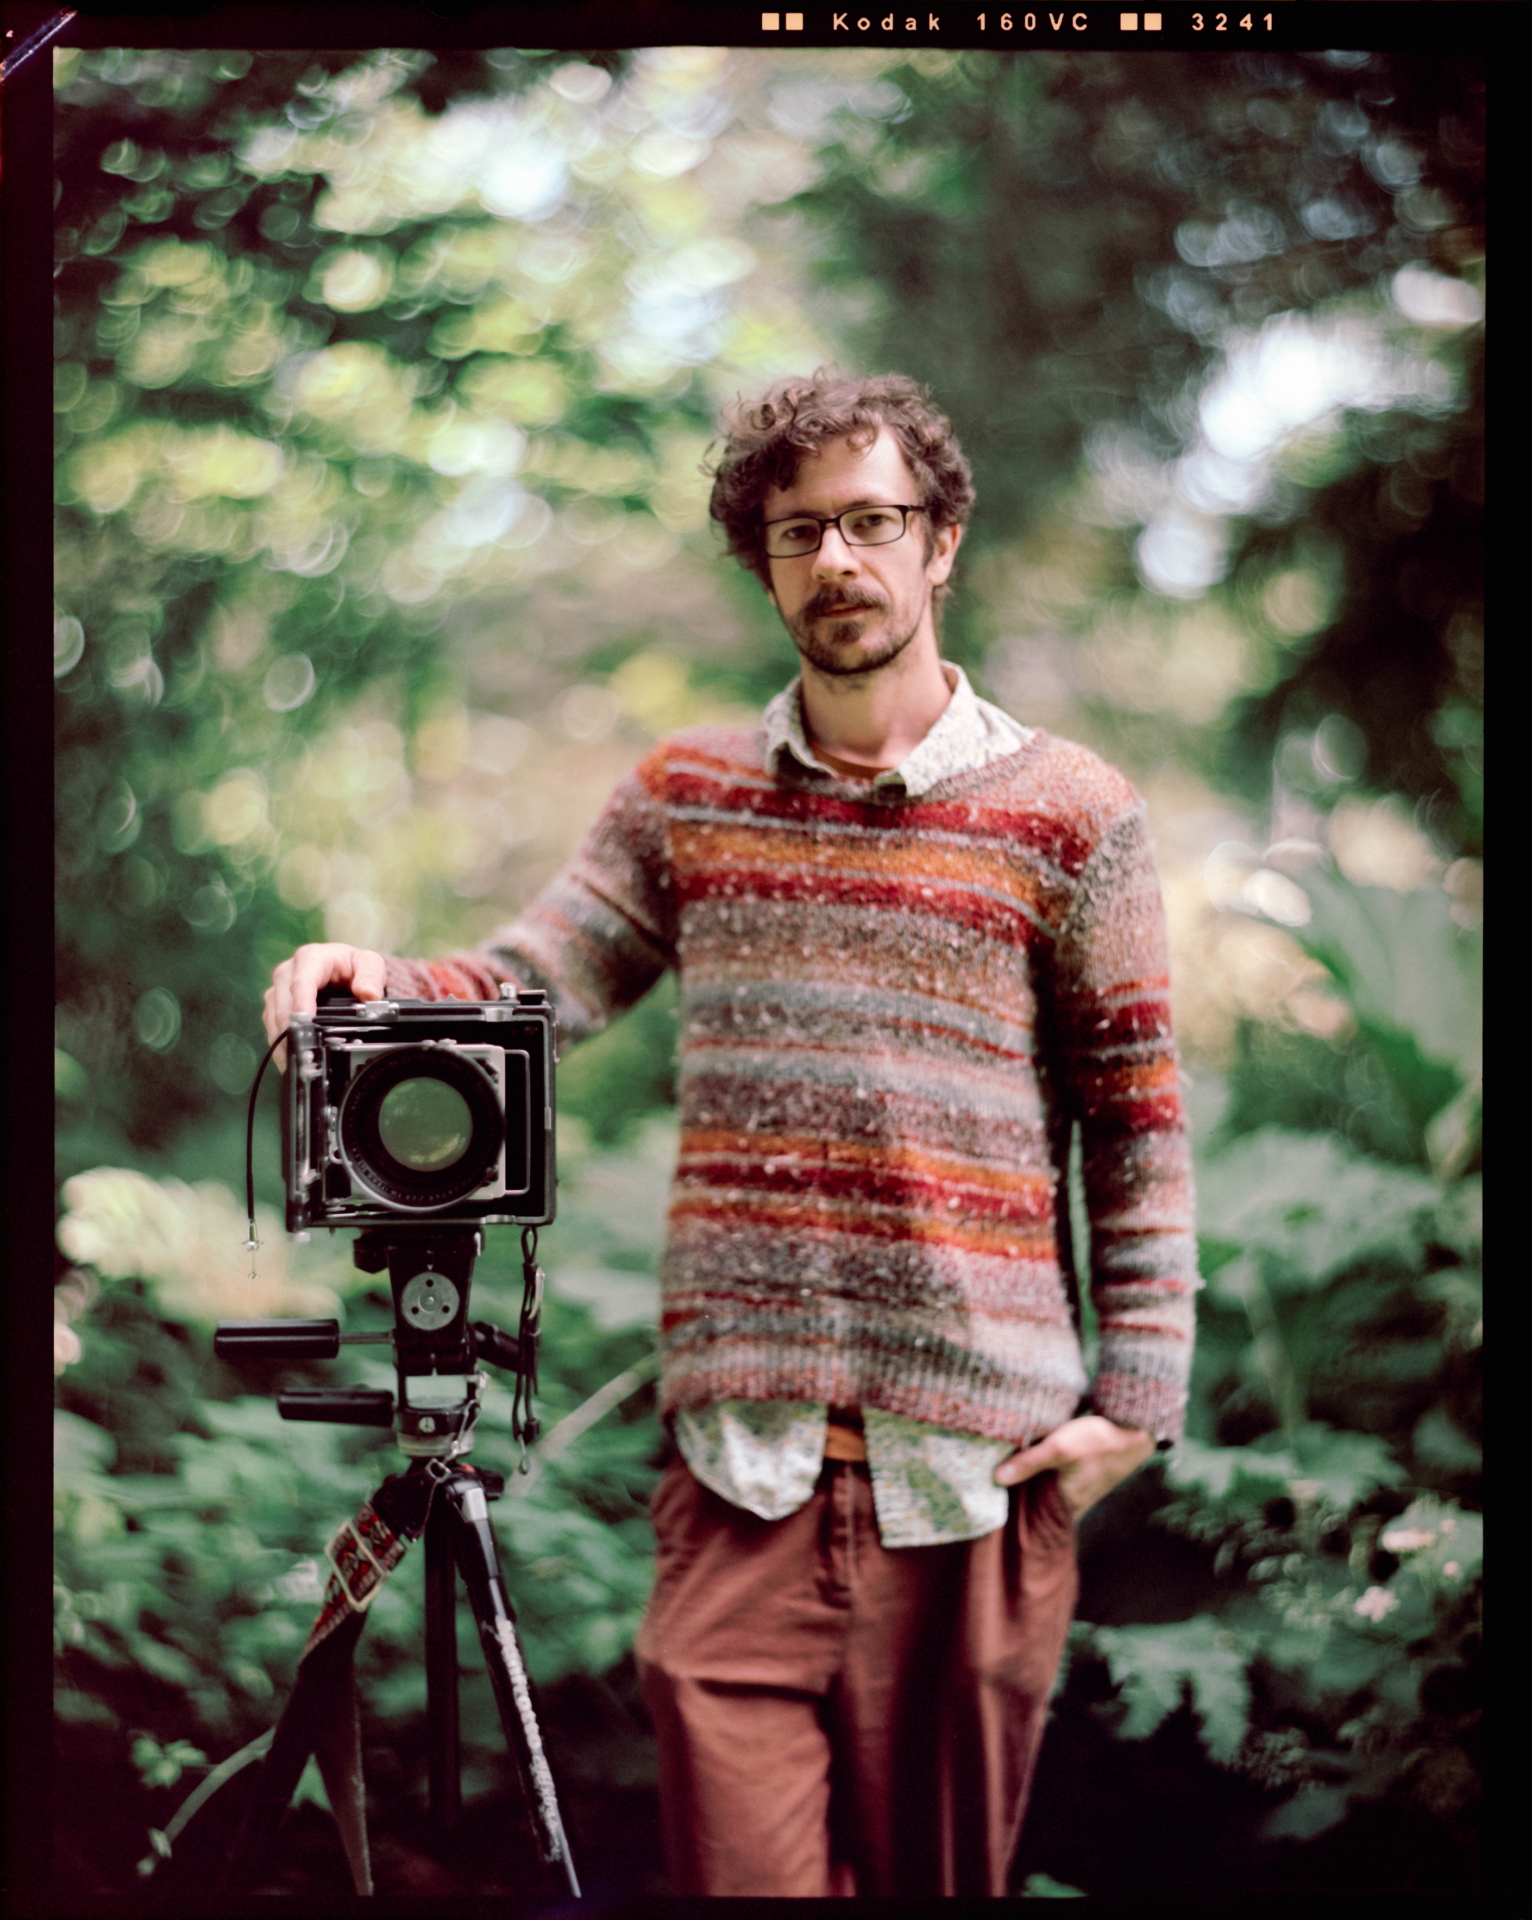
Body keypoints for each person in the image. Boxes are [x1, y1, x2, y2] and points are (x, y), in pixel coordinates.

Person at [263, 373, 1200, 1898]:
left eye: (872, 521)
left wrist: (1139, 1400)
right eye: (796, 530)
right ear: (761, 562)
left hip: (977, 1472)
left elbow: (1136, 1117)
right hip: (739, 1477)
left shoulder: (1072, 814)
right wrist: (382, 985)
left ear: (941, 539)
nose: (837, 560)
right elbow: (531, 984)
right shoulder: (687, 795)